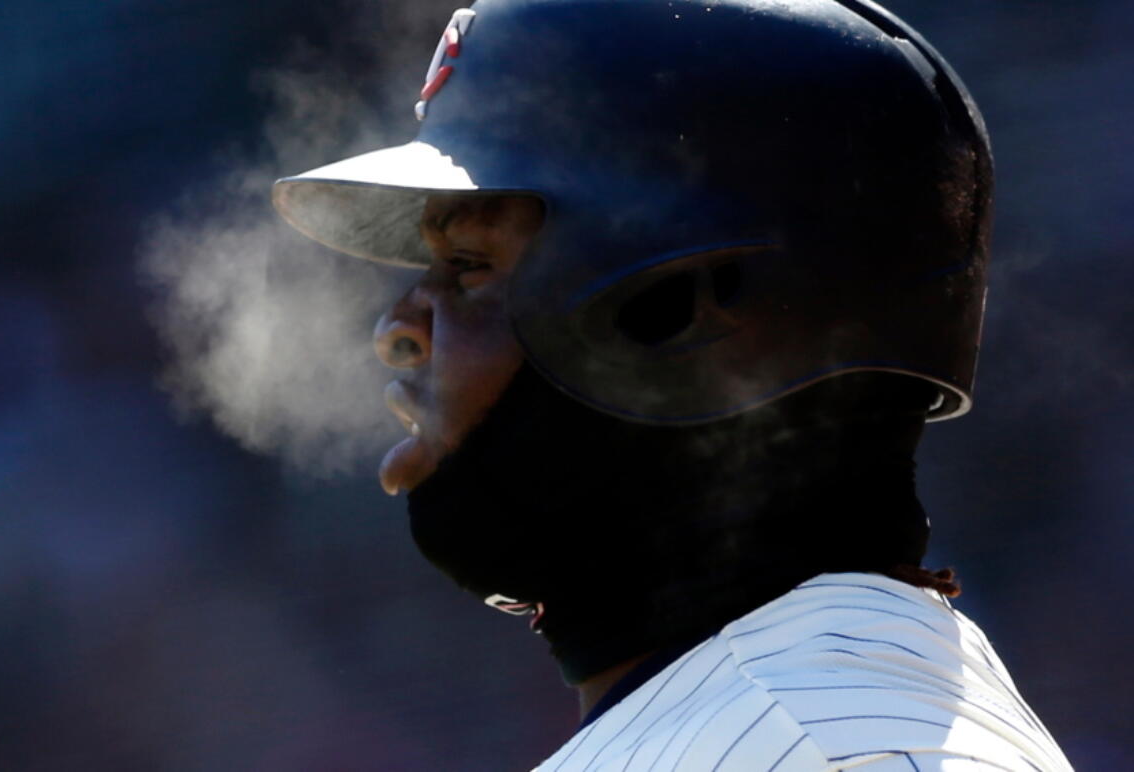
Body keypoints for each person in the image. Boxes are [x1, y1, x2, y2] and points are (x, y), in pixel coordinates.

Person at [272, 0, 1074, 768]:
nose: (399, 328)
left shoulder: (833, 750)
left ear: (679, 308)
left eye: (470, 267)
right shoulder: (781, 721)